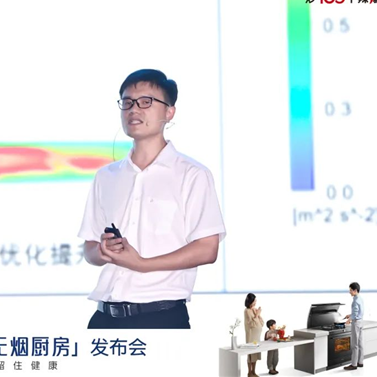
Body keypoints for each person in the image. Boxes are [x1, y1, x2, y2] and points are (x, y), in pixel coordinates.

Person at [78, 69, 226, 329]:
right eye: (127, 102)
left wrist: (143, 265)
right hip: (104, 317)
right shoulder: (106, 176)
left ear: (169, 112)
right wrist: (103, 251)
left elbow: (207, 248)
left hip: (161, 316)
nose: (134, 109)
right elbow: (89, 248)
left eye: (146, 102)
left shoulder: (192, 174)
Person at [344, 282, 364, 370]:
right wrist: (350, 315)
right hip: (361, 322)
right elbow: (358, 312)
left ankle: (354, 364)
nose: (349, 292)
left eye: (350, 290)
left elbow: (355, 314)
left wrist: (349, 320)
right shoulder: (360, 298)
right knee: (360, 343)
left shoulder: (355, 300)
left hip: (356, 323)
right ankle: (360, 362)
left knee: (354, 345)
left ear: (355, 290)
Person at [244, 293, 263, 377]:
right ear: (250, 301)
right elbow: (251, 324)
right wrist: (257, 314)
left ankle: (254, 372)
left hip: (257, 336)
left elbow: (261, 323)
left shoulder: (254, 309)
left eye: (256, 300)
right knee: (250, 353)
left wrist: (258, 314)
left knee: (255, 353)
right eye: (254, 301)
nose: (255, 302)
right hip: (251, 336)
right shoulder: (247, 311)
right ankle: (249, 372)